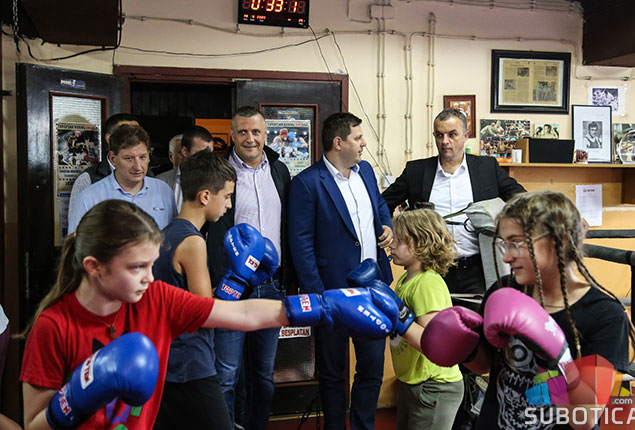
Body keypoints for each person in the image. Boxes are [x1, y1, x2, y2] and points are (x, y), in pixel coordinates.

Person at [19, 199, 404, 430]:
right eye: (136, 268)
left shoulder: (156, 298)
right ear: (94, 267)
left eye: (151, 265)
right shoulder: (53, 326)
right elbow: (33, 424)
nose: (149, 277)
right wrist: (75, 398)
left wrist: (323, 305)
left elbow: (242, 314)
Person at [422, 190, 635, 430]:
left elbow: (586, 416)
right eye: (504, 244)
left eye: (516, 243)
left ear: (559, 241)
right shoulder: (504, 291)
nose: (506, 257)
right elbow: (486, 366)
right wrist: (466, 349)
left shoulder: (604, 315)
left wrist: (557, 357)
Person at [382, 108, 525, 430]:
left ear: (466, 135)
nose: (445, 141)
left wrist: (537, 220)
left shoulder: (486, 167)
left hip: (473, 271)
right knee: (435, 344)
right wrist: (386, 227)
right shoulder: (417, 171)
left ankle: (470, 419)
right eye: (439, 135)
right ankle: (442, 413)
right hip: (432, 272)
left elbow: (519, 196)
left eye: (452, 134)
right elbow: (384, 201)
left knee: (476, 347)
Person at [288, 112, 394, 430]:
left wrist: (386, 224)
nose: (364, 144)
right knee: (333, 374)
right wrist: (318, 297)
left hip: (372, 290)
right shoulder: (307, 183)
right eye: (358, 138)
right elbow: (301, 244)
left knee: (372, 369)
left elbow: (379, 205)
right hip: (331, 294)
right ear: (338, 142)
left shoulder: (366, 171)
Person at [206, 106, 291, 430]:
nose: (250, 138)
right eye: (242, 132)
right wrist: (217, 282)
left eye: (255, 131)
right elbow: (212, 231)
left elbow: (288, 227)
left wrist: (290, 278)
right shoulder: (220, 172)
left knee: (263, 374)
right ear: (232, 135)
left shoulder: (279, 171)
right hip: (232, 286)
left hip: (271, 286)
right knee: (227, 374)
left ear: (266, 134)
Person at [153, 149, 236, 429]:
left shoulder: (165, 234)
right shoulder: (193, 242)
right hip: (191, 361)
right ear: (205, 196)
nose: (229, 205)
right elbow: (204, 312)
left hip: (165, 357)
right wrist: (237, 284)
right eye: (226, 196)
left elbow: (183, 296)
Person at [388, 208, 464, 430]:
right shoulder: (406, 279)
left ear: (421, 243)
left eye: (399, 239)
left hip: (434, 385)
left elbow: (432, 343)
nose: (392, 244)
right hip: (413, 380)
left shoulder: (427, 283)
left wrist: (398, 319)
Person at [67, 124, 176, 233]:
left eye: (142, 157)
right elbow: (75, 241)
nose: (138, 166)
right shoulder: (89, 198)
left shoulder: (163, 191)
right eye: (129, 158)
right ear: (113, 159)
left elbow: (174, 235)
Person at [68, 113, 139, 219]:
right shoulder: (89, 179)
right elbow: (77, 225)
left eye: (138, 135)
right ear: (109, 139)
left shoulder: (149, 176)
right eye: (126, 135)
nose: (135, 140)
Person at [157, 126, 214, 211]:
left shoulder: (215, 183)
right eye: (201, 154)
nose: (207, 159)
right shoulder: (160, 182)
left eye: (210, 154)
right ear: (184, 151)